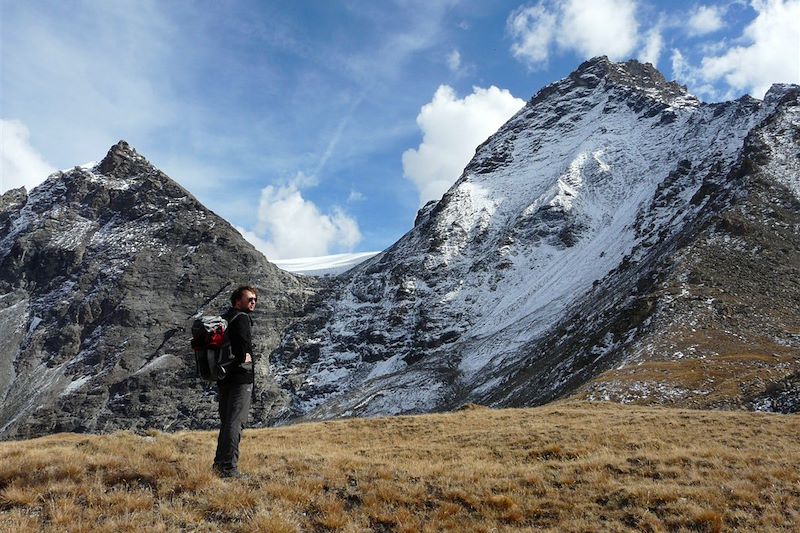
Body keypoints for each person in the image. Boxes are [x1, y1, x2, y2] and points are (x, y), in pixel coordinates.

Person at [212, 285, 257, 479]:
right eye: (250, 299)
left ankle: (219, 465)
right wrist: (245, 357)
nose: (253, 302)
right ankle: (229, 469)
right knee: (235, 422)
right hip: (240, 378)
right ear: (238, 301)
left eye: (255, 299)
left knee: (227, 422)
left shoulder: (225, 318)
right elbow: (242, 345)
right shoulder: (242, 318)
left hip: (224, 377)